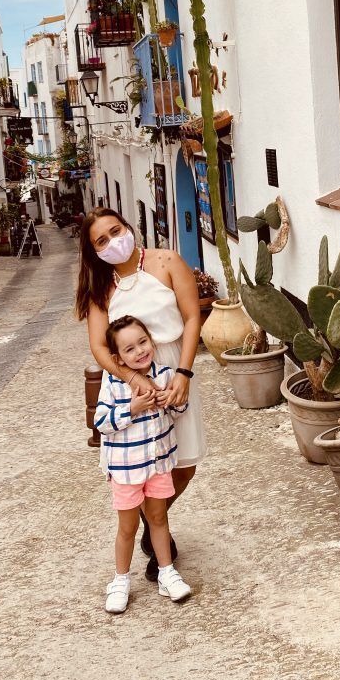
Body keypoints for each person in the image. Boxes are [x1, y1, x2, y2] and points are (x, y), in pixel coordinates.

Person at [75, 207, 206, 581]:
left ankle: (154, 520)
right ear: (93, 251)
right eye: (102, 240)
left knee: (184, 463)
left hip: (174, 366)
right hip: (128, 384)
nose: (113, 242)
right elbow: (100, 347)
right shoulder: (101, 289)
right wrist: (132, 378)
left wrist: (183, 372)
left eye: (115, 231)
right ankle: (158, 532)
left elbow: (192, 316)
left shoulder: (167, 261)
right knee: (141, 464)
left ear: (128, 226)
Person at [95, 315, 192, 612]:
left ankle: (167, 573)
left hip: (158, 464)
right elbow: (100, 422)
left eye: (142, 342)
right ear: (117, 358)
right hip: (126, 470)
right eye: (129, 349)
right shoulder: (112, 383)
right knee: (127, 527)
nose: (139, 352)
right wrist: (131, 408)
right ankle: (120, 580)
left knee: (158, 519)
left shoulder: (164, 374)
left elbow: (181, 408)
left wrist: (170, 400)